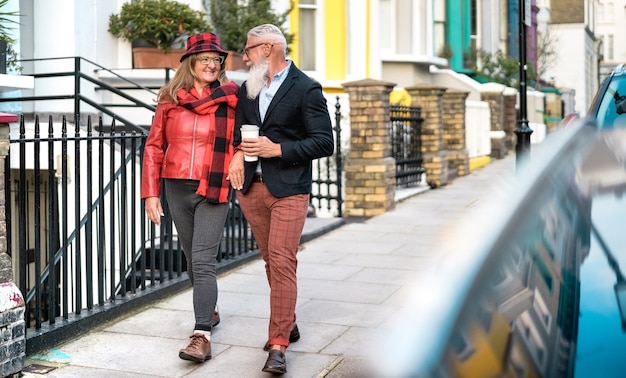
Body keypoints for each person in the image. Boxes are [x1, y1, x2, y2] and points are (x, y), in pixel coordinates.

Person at [227, 24, 334, 374]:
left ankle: (278, 345)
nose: (244, 56)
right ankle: (288, 320)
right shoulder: (248, 88)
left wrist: (279, 149)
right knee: (271, 261)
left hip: (290, 188)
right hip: (252, 190)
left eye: (249, 49)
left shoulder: (306, 88)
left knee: (282, 260)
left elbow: (323, 142)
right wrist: (237, 155)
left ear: (270, 48)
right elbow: (238, 134)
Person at [141, 32, 239, 363]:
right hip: (175, 187)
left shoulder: (232, 97)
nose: (212, 65)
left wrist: (237, 159)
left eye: (217, 60)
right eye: (205, 59)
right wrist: (150, 193)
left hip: (213, 186)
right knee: (190, 258)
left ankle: (201, 335)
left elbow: (240, 140)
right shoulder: (170, 99)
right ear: (190, 63)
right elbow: (154, 146)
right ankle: (208, 310)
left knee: (202, 260)